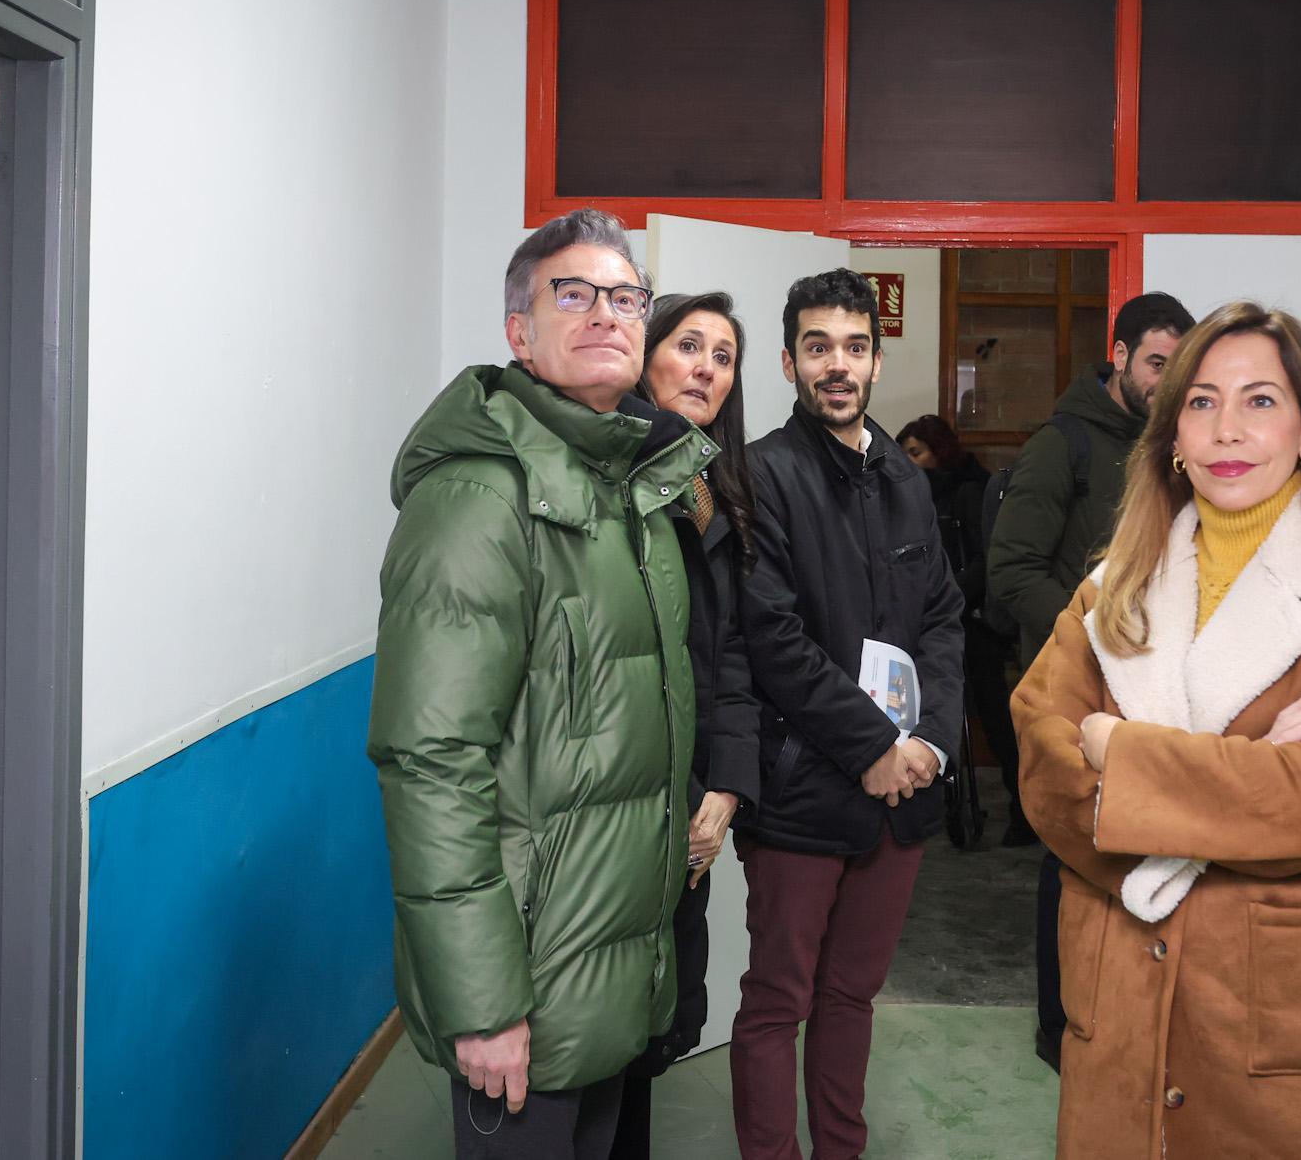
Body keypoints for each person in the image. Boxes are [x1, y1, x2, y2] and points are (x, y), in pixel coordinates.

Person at [1013, 301, 1301, 1160]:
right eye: (1202, 402)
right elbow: (1043, 766)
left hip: (1291, 1024)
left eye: (1260, 400)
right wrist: (1247, 768)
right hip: (1126, 1010)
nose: (1227, 429)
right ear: (1173, 435)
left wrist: (1119, 748)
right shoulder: (1115, 583)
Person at [367, 209, 711, 1160]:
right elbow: (432, 761)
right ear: (520, 332)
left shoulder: (629, 490)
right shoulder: (478, 498)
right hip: (523, 980)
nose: (606, 312)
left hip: (605, 971)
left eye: (626, 297)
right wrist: (480, 1001)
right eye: (574, 294)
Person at [730, 268, 965, 1160]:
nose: (838, 364)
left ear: (876, 359)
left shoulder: (904, 476)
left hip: (901, 793)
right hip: (802, 791)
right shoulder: (760, 474)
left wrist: (930, 742)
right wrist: (871, 745)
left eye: (855, 346)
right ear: (789, 360)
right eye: (818, 346)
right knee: (777, 999)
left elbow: (942, 616)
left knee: (851, 995)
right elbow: (772, 636)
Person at [986, 289, 1193, 1065]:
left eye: (1180, 367)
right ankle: (1059, 1024)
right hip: (1083, 685)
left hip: (1163, 694)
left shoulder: (1182, 441)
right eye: (1157, 364)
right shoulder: (1062, 444)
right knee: (1075, 847)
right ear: (1120, 355)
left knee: (1152, 849)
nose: (1167, 382)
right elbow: (1012, 570)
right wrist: (1098, 639)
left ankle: (1134, 1022)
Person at [605, 292, 763, 1160]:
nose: (705, 366)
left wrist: (725, 789)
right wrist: (682, 793)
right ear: (645, 356)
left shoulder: (713, 490)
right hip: (625, 799)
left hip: (695, 801)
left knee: (653, 1024)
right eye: (688, 344)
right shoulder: (612, 479)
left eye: (723, 355)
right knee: (600, 1027)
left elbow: (730, 654)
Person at [896, 414, 1016, 839]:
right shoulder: (912, 494)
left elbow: (986, 557)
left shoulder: (969, 490)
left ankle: (1021, 810)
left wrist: (949, 596)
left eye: (917, 452)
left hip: (974, 622)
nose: (911, 462)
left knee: (994, 716)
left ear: (939, 451)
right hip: (933, 620)